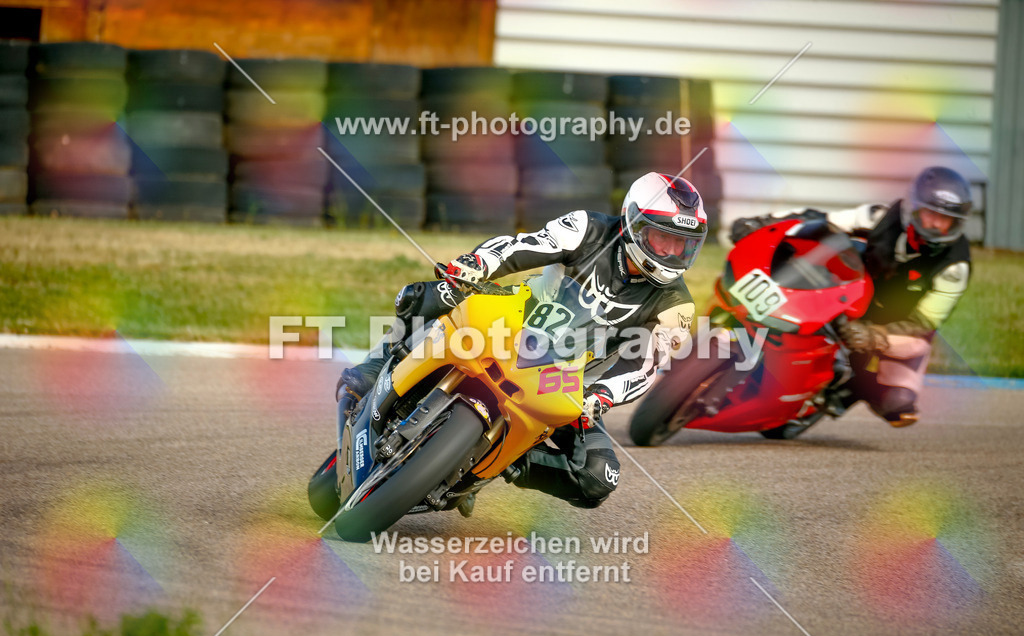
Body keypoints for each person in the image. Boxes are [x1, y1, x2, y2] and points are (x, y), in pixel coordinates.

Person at [337, 172, 709, 509]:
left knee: (598, 476)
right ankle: (379, 364)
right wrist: (477, 264)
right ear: (633, 223)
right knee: (437, 295)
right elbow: (522, 248)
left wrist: (600, 397)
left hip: (566, 385)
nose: (671, 253)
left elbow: (644, 368)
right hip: (512, 324)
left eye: (683, 244)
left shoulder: (677, 308)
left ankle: (497, 464)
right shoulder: (588, 228)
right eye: (662, 239)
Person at [731, 166, 973, 429]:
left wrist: (874, 337)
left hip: (894, 326)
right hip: (848, 293)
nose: (937, 225)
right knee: (821, 243)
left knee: (898, 403)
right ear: (913, 209)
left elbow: (925, 321)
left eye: (945, 219)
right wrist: (763, 222)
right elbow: (819, 220)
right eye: (931, 214)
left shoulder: (955, 266)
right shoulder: (878, 217)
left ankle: (847, 389)